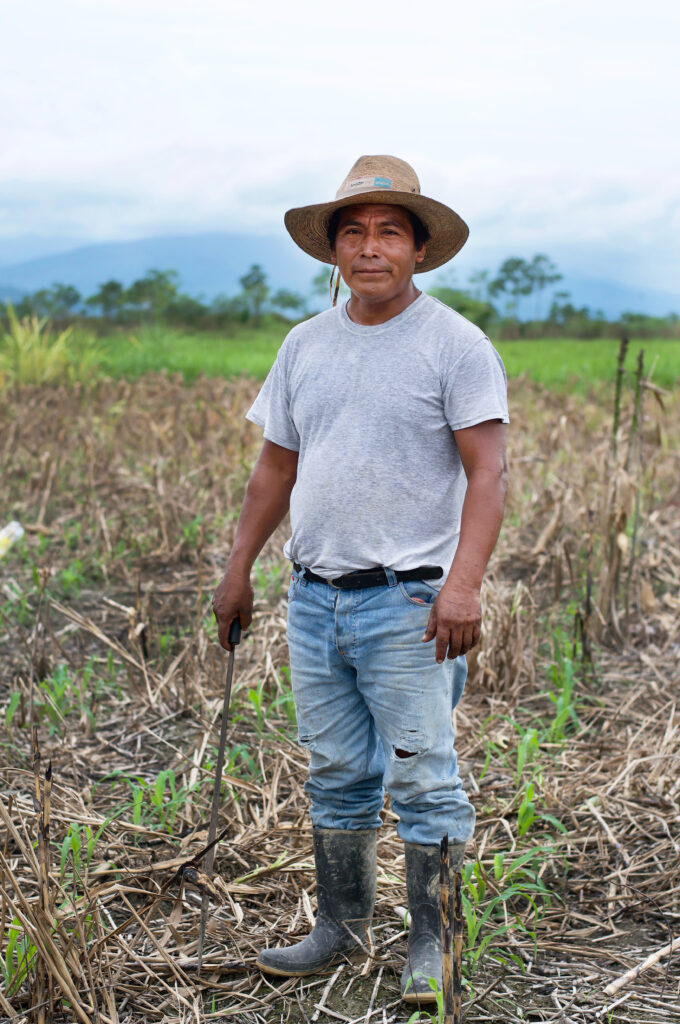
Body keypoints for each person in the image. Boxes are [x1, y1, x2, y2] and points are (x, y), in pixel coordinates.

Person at [212, 154, 509, 1004]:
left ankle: (435, 945)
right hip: (315, 598)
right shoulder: (305, 344)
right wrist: (239, 569)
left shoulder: (455, 344)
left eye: (388, 232)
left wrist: (463, 586)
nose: (369, 247)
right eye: (354, 232)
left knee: (423, 776)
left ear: (418, 250)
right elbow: (274, 469)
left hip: (410, 602)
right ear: (333, 250)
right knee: (337, 769)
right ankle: (339, 928)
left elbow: (487, 475)